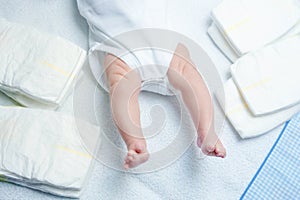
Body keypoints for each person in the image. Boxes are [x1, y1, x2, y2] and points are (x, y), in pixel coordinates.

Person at [77, 0, 226, 169]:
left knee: (188, 73)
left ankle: (207, 131)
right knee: (121, 85)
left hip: (160, 37)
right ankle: (135, 142)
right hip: (119, 44)